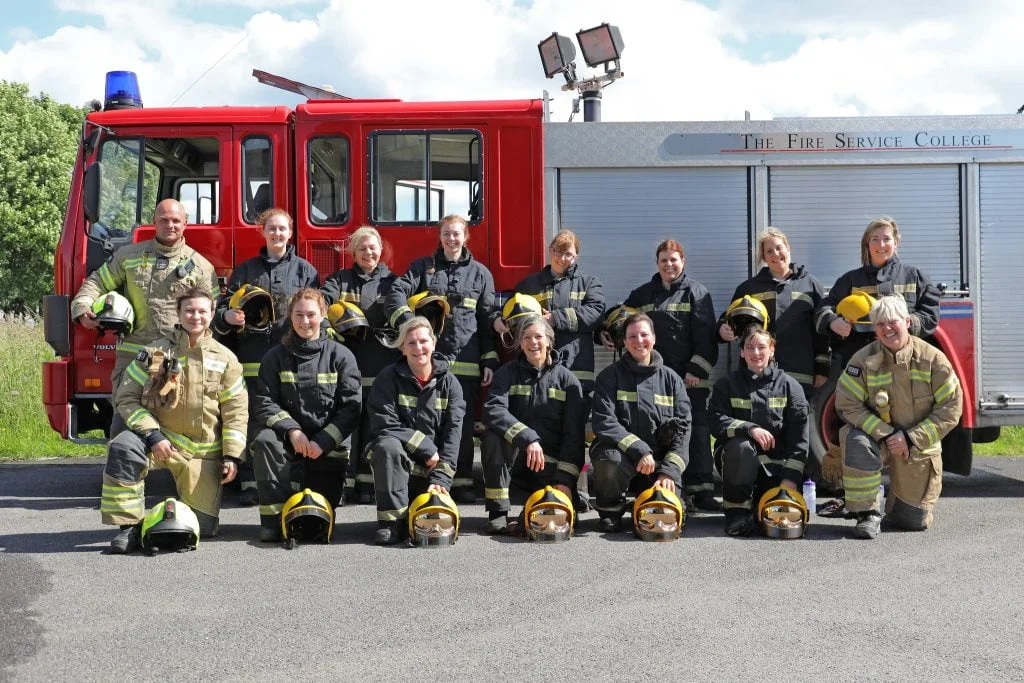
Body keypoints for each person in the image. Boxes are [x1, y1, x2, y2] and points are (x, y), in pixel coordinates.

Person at [98, 286, 247, 553]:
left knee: (203, 529)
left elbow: (236, 411)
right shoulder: (154, 353)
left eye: (202, 311)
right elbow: (126, 398)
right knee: (123, 449)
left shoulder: (226, 359)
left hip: (202, 453)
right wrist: (152, 435)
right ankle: (128, 527)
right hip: (161, 442)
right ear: (178, 312)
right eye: (189, 310)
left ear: (213, 313)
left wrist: (232, 456)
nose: (196, 316)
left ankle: (164, 517)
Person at [814, 216, 941, 507]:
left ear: (896, 242)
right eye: (875, 239)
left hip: (903, 370)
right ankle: (857, 500)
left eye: (886, 239)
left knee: (903, 428)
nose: (881, 245)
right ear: (866, 245)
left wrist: (909, 324)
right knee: (859, 429)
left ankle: (906, 493)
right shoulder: (851, 280)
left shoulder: (914, 277)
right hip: (863, 371)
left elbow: (931, 315)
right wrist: (834, 323)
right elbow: (824, 308)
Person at [70, 199, 219, 421]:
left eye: (176, 221)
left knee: (174, 424)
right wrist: (82, 307)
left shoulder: (201, 267)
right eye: (164, 220)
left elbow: (212, 315)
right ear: (154, 223)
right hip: (133, 357)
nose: (171, 225)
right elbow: (97, 282)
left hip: (176, 358)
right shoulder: (128, 256)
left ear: (186, 223)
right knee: (123, 423)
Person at [386, 214, 497, 503]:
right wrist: (409, 322)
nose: (451, 239)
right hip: (429, 361)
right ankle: (426, 477)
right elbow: (396, 292)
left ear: (466, 237)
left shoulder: (481, 274)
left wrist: (489, 360)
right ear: (440, 237)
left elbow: (486, 321)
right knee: (427, 420)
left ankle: (459, 482)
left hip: (468, 361)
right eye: (446, 234)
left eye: (456, 234)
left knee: (459, 423)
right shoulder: (423, 268)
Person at [212, 208, 320, 505]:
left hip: (291, 356)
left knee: (292, 416)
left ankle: (292, 479)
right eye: (271, 228)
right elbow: (222, 309)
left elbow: (315, 314)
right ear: (262, 231)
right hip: (251, 355)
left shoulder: (305, 271)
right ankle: (249, 481)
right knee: (248, 418)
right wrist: (228, 317)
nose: (277, 234)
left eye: (282, 229)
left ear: (290, 232)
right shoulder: (245, 270)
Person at [602, 239, 719, 511]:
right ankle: (653, 482)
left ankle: (700, 489)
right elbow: (620, 317)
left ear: (683, 261)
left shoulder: (697, 293)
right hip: (653, 378)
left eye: (673, 259)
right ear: (657, 264)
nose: (669, 264)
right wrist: (603, 332)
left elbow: (706, 337)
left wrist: (696, 369)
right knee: (659, 432)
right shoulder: (644, 294)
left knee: (696, 430)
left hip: (688, 376)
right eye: (664, 260)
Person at [833, 296, 962, 539]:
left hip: (916, 447)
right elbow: (847, 404)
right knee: (854, 439)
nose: (886, 329)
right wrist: (887, 433)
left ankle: (895, 505)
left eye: (892, 322)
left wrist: (911, 439)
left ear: (907, 321)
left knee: (912, 521)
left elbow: (951, 408)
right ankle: (867, 513)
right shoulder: (863, 360)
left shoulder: (933, 360)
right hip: (880, 440)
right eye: (879, 324)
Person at [248, 289, 362, 542]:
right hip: (289, 440)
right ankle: (272, 521)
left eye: (311, 314)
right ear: (290, 316)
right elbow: (264, 402)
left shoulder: (341, 356)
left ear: (323, 315)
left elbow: (351, 408)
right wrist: (292, 430)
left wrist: (322, 441)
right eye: (298, 314)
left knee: (316, 521)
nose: (305, 321)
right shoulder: (275, 357)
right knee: (266, 440)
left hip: (325, 444)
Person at [366, 316, 467, 545]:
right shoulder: (387, 379)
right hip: (399, 470)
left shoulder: (450, 384)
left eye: (423, 341)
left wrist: (442, 476)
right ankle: (391, 523)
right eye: (411, 343)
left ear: (433, 343)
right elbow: (384, 424)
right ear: (402, 348)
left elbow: (454, 434)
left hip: (433, 472)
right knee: (386, 445)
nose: (418, 348)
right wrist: (425, 446)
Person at [481, 315, 586, 534]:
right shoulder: (507, 374)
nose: (533, 342)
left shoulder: (567, 380)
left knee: (545, 515)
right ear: (519, 343)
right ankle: (498, 512)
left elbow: (574, 435)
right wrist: (528, 438)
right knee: (492, 437)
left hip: (550, 464)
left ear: (549, 340)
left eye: (538, 336)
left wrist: (564, 480)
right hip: (519, 457)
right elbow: (493, 410)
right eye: (526, 337)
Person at [590, 313, 692, 532]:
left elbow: (684, 431)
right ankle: (610, 511)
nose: (639, 341)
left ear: (653, 338)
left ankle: (654, 495)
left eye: (644, 334)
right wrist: (639, 449)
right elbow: (604, 421)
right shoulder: (609, 377)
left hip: (659, 464)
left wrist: (669, 472)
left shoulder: (672, 380)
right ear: (624, 341)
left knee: (670, 518)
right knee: (609, 459)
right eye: (632, 336)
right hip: (624, 456)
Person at [321, 226, 400, 504]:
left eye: (373, 247)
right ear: (353, 252)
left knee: (372, 426)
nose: (368, 252)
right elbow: (321, 306)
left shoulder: (394, 283)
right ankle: (340, 486)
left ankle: (367, 486)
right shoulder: (339, 280)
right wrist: (328, 329)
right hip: (345, 367)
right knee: (344, 425)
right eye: (362, 248)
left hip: (381, 365)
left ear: (381, 249)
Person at [708, 326, 809, 536]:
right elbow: (716, 421)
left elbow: (800, 440)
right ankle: (737, 512)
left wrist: (790, 478)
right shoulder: (727, 385)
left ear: (772, 350)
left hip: (777, 471)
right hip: (740, 463)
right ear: (742, 352)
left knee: (780, 522)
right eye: (750, 347)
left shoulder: (791, 387)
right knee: (741, 446)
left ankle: (760, 504)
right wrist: (749, 428)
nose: (756, 353)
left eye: (762, 347)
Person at [718, 227, 828, 398]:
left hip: (800, 372)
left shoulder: (811, 285)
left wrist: (822, 366)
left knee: (797, 419)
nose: (776, 254)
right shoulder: (749, 288)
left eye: (779, 248)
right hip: (758, 373)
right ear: (764, 257)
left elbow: (822, 331)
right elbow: (729, 318)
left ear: (788, 248)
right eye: (769, 251)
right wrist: (722, 329)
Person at [494, 229, 605, 394]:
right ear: (550, 250)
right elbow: (509, 312)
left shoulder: (589, 283)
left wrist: (555, 318)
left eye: (568, 254)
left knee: (575, 415)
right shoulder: (528, 285)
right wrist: (497, 319)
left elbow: (595, 313)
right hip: (536, 367)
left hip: (576, 366)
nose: (562, 259)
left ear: (576, 257)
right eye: (558, 252)